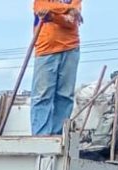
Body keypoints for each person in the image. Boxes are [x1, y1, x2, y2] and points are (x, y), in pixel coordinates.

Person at [30, 0, 83, 136]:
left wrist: (52, 16)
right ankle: (40, 137)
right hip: (45, 48)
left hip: (70, 48)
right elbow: (40, 7)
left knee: (65, 95)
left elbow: (71, 21)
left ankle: (58, 136)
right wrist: (68, 9)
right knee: (42, 96)